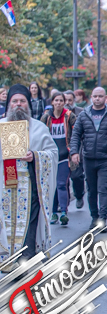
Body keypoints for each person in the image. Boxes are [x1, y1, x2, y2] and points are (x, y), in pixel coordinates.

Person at [0, 84, 58, 268]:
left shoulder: (39, 128)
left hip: (30, 186)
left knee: (28, 224)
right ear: (9, 104)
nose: (18, 104)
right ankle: (7, 258)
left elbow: (52, 153)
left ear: (28, 104)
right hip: (4, 186)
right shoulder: (1, 125)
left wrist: (35, 156)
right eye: (14, 101)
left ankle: (26, 258)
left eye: (22, 101)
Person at [70, 87, 107, 233]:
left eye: (100, 96)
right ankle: (94, 218)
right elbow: (76, 134)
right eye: (95, 96)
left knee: (103, 189)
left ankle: (102, 220)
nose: (97, 99)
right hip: (88, 158)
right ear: (91, 97)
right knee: (91, 190)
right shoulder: (83, 115)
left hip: (106, 158)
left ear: (105, 97)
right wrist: (74, 152)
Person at [40, 92, 76, 226]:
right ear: (52, 102)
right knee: (52, 185)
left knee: (61, 183)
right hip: (50, 156)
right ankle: (53, 212)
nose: (59, 103)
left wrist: (74, 150)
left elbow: (77, 132)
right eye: (57, 100)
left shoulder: (69, 116)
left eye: (61, 100)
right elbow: (40, 134)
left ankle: (63, 213)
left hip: (64, 156)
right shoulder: (46, 117)